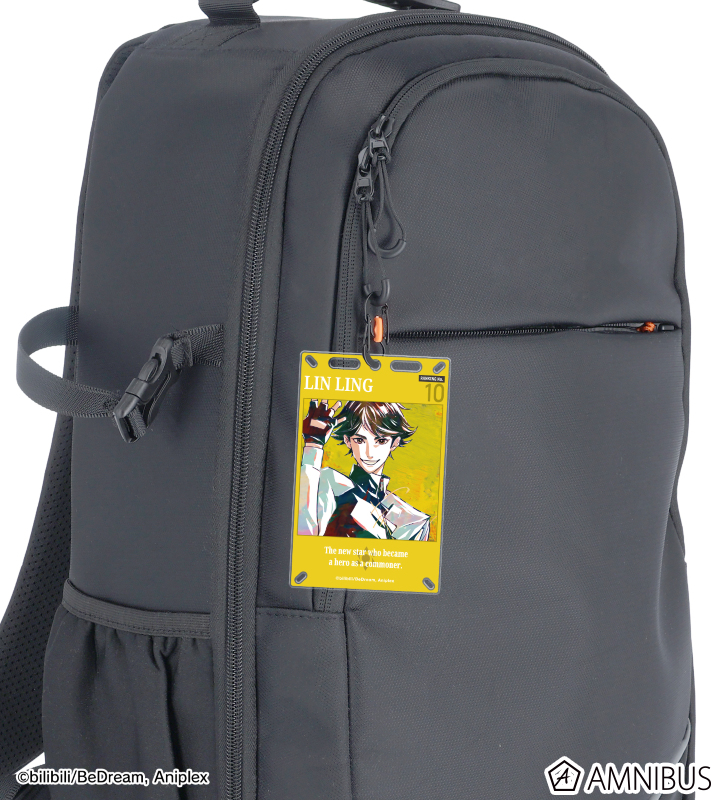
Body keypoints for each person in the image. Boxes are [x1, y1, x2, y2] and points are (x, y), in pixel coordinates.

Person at [297, 399, 430, 539]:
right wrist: (313, 445)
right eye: (360, 440)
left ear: (395, 443)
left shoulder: (414, 521)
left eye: (381, 441)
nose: (369, 453)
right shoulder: (328, 483)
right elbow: (304, 536)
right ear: (347, 440)